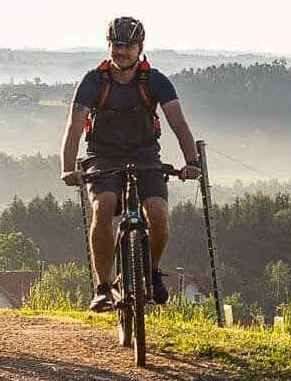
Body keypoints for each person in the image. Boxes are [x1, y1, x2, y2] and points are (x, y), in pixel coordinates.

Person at [59, 16, 201, 312]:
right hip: (103, 156)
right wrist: (68, 167)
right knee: (104, 206)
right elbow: (74, 127)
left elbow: (179, 124)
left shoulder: (155, 81)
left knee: (158, 214)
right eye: (116, 45)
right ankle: (102, 287)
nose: (121, 51)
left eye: (128, 46)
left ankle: (151, 271)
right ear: (109, 45)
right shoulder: (93, 81)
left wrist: (192, 162)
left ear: (140, 48)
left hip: (145, 155)